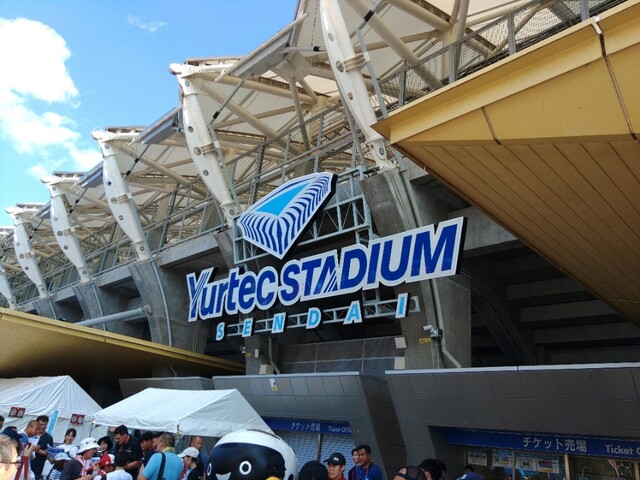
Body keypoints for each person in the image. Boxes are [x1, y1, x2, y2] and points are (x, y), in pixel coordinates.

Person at [32, 416, 54, 480]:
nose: (43, 427)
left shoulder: (48, 438)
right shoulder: (32, 434)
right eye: (41, 424)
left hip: (37, 468)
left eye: (45, 425)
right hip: (26, 464)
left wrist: (35, 449)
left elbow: (47, 453)